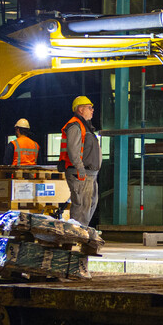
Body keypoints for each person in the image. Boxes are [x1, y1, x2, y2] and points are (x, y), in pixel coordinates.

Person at [60, 95, 102, 227]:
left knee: (89, 205)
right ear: (80, 109)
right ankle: (75, 236)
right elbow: (73, 151)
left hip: (90, 175)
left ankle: (80, 233)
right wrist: (80, 169)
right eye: (89, 108)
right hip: (80, 174)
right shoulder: (75, 126)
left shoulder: (85, 126)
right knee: (81, 207)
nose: (92, 110)